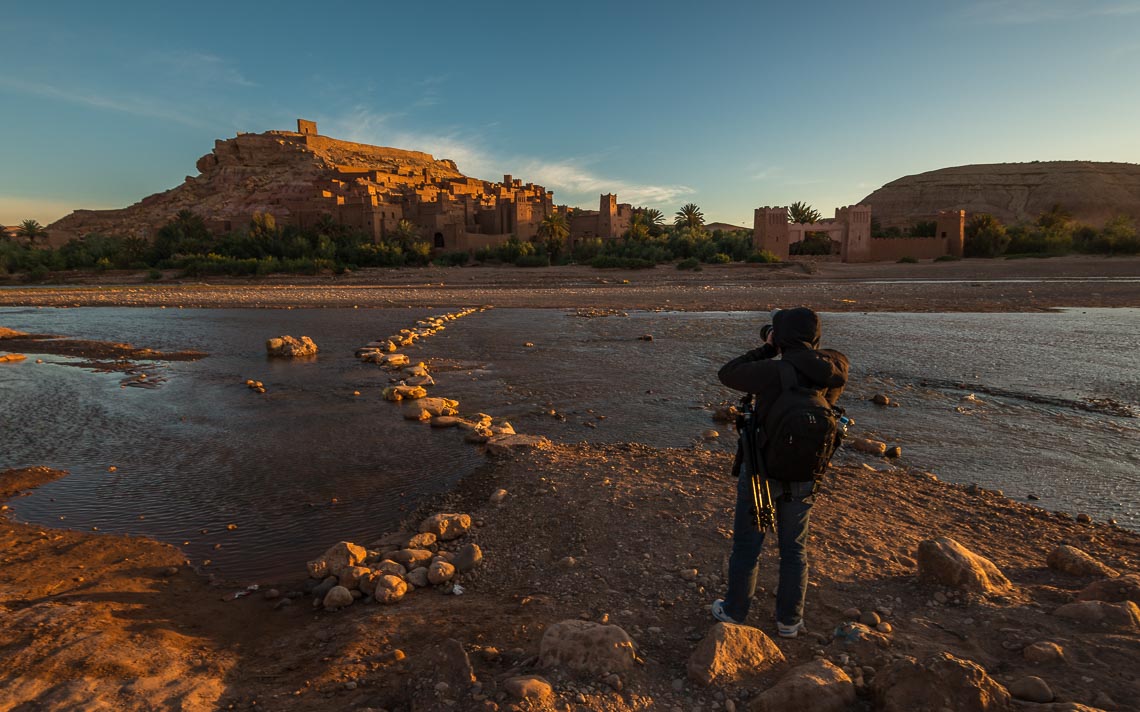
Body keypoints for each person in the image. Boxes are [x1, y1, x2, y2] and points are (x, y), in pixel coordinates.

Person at [710, 307, 849, 638]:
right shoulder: (834, 369)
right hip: (806, 473)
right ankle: (789, 621)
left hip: (761, 471)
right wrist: (797, 349)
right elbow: (822, 362)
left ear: (779, 336)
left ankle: (734, 611)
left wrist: (768, 349)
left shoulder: (773, 372)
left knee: (748, 544)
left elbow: (728, 373)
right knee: (794, 548)